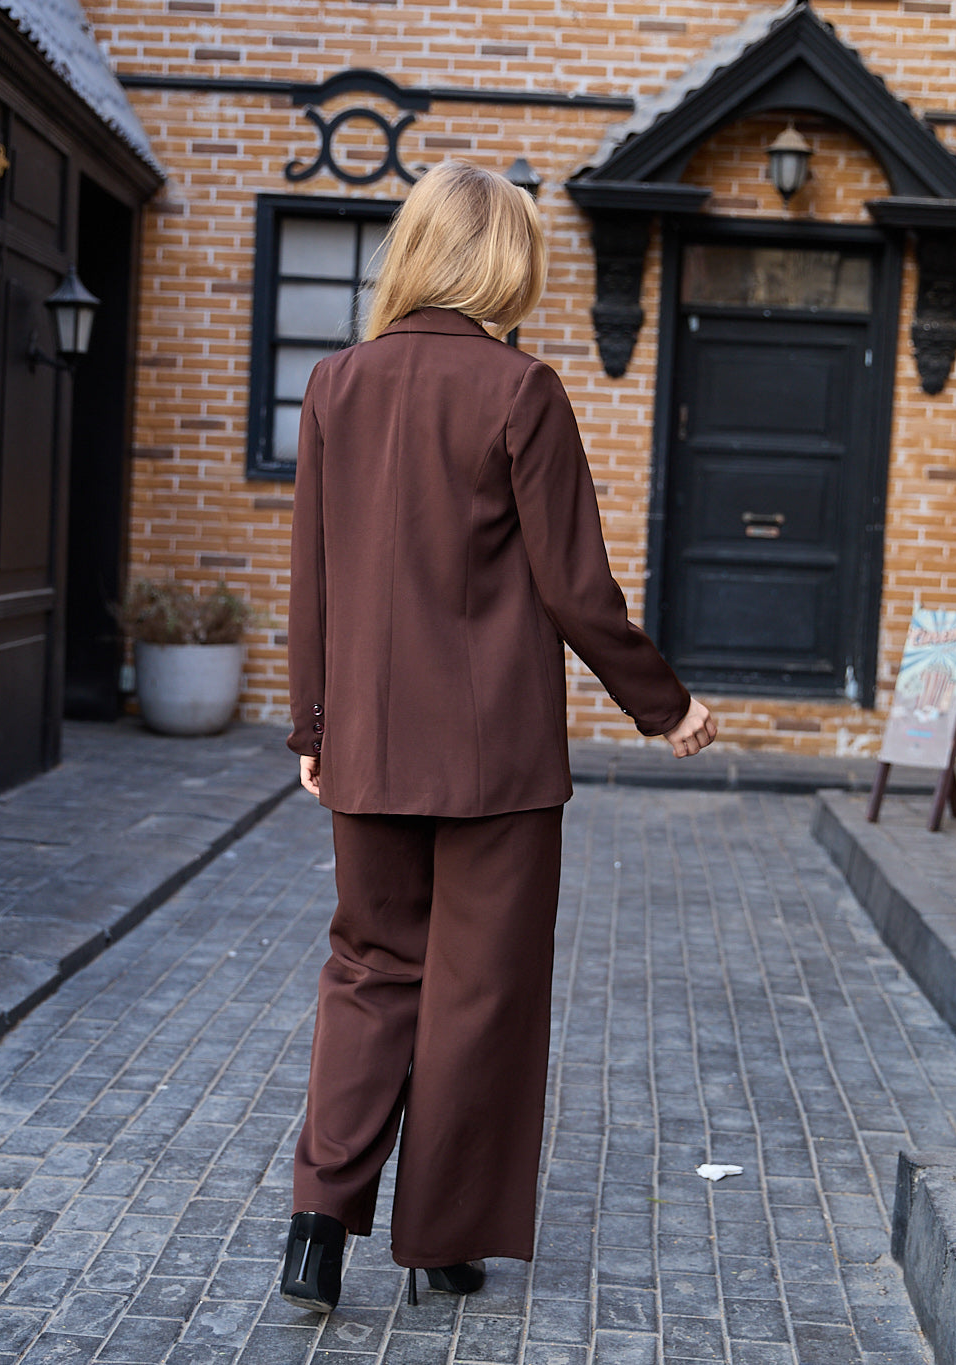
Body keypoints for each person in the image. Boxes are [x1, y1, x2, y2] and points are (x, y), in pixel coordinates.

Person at [280, 159, 717, 1314]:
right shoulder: (522, 391)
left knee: (367, 974)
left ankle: (316, 1227)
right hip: (497, 764)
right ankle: (440, 1241)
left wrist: (310, 726)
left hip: (367, 746)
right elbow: (577, 591)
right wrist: (665, 705)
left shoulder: (333, 384)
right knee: (478, 994)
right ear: (506, 259)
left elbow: (312, 581)